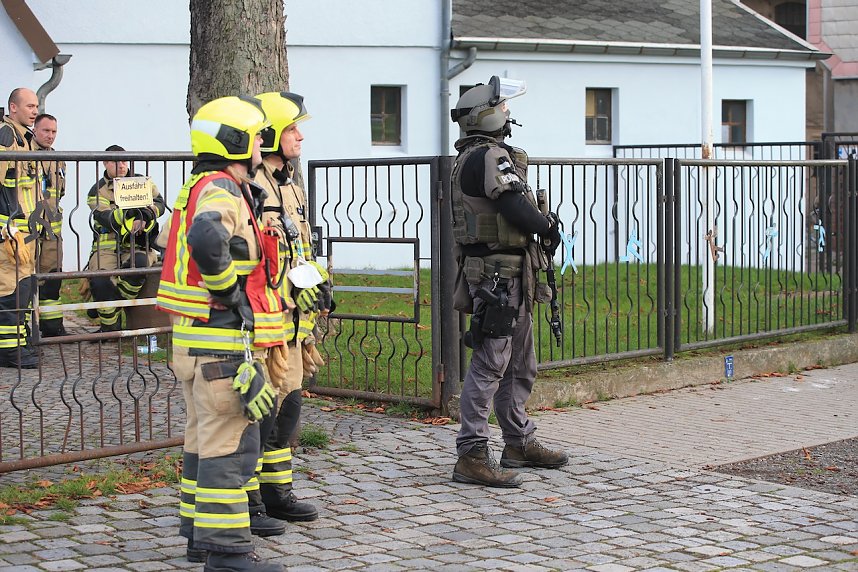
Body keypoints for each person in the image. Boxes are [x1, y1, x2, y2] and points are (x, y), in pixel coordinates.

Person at [157, 95, 286, 572]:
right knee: (230, 446)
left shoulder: (198, 185)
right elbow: (207, 238)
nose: (260, 146)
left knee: (200, 439)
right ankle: (227, 553)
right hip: (219, 339)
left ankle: (198, 537)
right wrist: (230, 290)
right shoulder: (222, 190)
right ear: (233, 141)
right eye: (254, 137)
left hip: (194, 339)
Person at [449, 76, 568, 487]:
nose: (508, 113)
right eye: (503, 107)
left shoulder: (473, 156)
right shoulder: (489, 156)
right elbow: (514, 204)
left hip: (509, 273)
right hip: (497, 277)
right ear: (488, 114)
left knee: (519, 362)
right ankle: (472, 454)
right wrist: (547, 228)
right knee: (490, 364)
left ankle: (517, 441)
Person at [252, 91, 331, 524]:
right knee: (261, 413)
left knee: (288, 408)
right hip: (267, 322)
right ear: (268, 137)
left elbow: (297, 248)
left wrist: (317, 283)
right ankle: (249, 503)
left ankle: (277, 492)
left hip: (294, 322)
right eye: (292, 129)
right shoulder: (254, 184)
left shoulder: (290, 182)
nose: (300, 136)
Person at [86, 145, 165, 332]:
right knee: (99, 281)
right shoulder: (98, 190)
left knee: (139, 264)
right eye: (115, 161)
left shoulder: (141, 182)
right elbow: (104, 216)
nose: (121, 165)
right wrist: (130, 213)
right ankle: (110, 327)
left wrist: (145, 215)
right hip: (106, 248)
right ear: (105, 163)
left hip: (138, 245)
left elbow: (160, 204)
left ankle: (114, 306)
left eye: (124, 161)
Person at [0, 87, 40, 368]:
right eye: (29, 106)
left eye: (36, 106)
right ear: (13, 108)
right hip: (9, 232)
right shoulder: (6, 135)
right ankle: (8, 352)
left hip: (24, 231)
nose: (34, 111)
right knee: (8, 290)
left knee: (23, 288)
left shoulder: (25, 139)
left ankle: (20, 346)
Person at [32, 113, 67, 337]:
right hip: (30, 228)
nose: (50, 136)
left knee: (52, 279)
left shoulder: (58, 158)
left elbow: (60, 191)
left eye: (54, 131)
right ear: (35, 130)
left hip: (52, 229)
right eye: (46, 130)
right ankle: (29, 330)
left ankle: (53, 328)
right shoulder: (24, 154)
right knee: (28, 279)